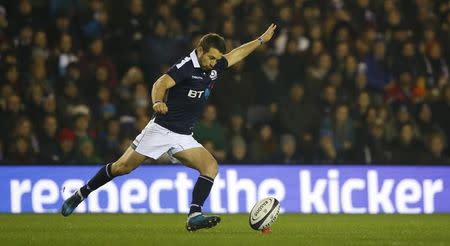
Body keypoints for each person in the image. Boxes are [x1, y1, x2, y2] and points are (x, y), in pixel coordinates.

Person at [61, 24, 277, 231]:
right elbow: (160, 83)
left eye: (216, 59)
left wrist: (260, 40)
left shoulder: (213, 63)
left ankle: (194, 215)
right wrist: (157, 102)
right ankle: (81, 193)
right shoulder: (186, 67)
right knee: (121, 168)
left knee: (210, 167)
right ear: (200, 50)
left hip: (183, 135)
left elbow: (235, 55)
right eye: (211, 57)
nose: (214, 63)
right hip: (161, 129)